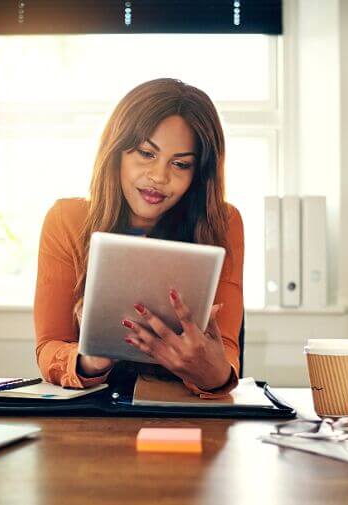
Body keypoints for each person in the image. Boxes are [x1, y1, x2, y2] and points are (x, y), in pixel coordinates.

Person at [33, 78, 244, 397]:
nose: (159, 176)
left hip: (185, 409)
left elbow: (226, 353)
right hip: (95, 409)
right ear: (116, 151)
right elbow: (50, 346)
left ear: (198, 174)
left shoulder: (222, 222)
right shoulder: (66, 220)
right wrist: (91, 358)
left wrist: (212, 372)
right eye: (146, 153)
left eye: (180, 164)